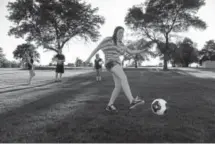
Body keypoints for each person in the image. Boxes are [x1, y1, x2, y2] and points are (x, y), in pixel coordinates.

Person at [85, 26, 149, 112]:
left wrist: (141, 51)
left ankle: (110, 105)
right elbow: (97, 48)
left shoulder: (121, 45)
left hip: (117, 64)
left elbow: (131, 51)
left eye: (123, 33)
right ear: (115, 32)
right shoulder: (108, 39)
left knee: (118, 86)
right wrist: (88, 59)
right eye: (120, 32)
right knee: (123, 77)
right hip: (110, 63)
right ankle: (132, 101)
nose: (121, 34)